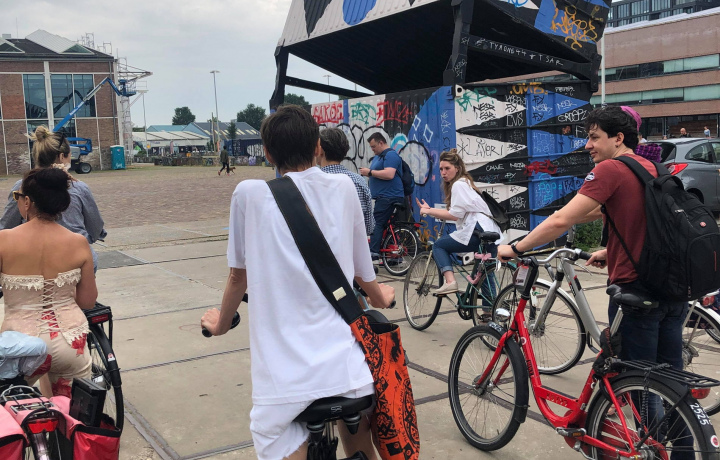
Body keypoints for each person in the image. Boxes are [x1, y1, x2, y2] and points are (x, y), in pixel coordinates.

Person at [200, 105, 394, 460]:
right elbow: (362, 273)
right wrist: (382, 297)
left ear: (268, 153)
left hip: (284, 378)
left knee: (277, 435)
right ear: (317, 146)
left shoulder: (248, 194)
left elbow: (237, 277)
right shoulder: (345, 186)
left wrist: (220, 324)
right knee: (358, 430)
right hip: (346, 368)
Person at [497, 105, 686, 373]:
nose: (588, 145)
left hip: (635, 290)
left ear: (618, 138)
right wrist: (610, 252)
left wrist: (516, 248)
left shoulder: (611, 169)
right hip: (672, 287)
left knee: (637, 379)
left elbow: (561, 220)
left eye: (594, 137)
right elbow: (647, 224)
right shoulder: (654, 168)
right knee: (670, 377)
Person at [0, 168, 97, 398]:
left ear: (27, 202)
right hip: (69, 339)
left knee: (12, 406)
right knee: (75, 408)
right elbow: (87, 301)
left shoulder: (4, 240)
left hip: (21, 345)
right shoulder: (78, 243)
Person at [0, 127, 105, 272]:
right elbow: (95, 226)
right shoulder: (78, 187)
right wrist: (85, 238)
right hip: (75, 260)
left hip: (33, 260)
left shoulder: (22, 186)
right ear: (62, 157)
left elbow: (7, 224)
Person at [417, 149, 502, 295]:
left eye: (447, 168)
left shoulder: (458, 185)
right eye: (441, 169)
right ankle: (492, 307)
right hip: (491, 231)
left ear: (457, 168)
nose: (443, 172)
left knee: (438, 246)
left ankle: (450, 282)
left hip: (477, 229)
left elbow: (454, 215)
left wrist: (429, 211)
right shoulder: (466, 183)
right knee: (485, 274)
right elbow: (458, 212)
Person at [318, 128, 374, 236]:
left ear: (320, 150)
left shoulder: (311, 182)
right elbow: (368, 228)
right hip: (350, 245)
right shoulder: (359, 181)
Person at [359, 133, 404, 260]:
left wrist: (370, 172)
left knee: (376, 223)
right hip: (384, 196)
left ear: (381, 143)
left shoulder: (390, 155)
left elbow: (389, 174)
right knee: (388, 226)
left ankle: (373, 253)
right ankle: (395, 256)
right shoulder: (380, 156)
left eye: (373, 146)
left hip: (389, 196)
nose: (372, 149)